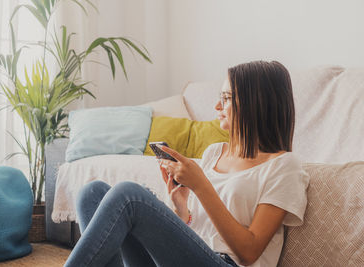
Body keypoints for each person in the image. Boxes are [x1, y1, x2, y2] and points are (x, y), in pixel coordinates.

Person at [64, 60, 309, 267]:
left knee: (129, 196)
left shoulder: (285, 167)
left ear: (256, 103)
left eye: (225, 98)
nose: (217, 107)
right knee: (92, 193)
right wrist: (183, 211)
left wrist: (201, 186)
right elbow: (197, 235)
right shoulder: (215, 152)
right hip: (194, 256)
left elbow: (249, 251)